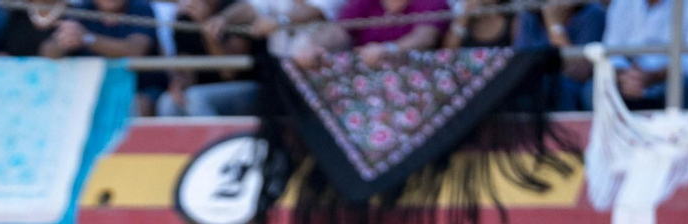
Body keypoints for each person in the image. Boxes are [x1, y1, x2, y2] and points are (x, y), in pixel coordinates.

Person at [160, 0, 345, 116]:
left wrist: (280, 21)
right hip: (280, 84)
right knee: (168, 102)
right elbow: (252, 6)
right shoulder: (186, 18)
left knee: (196, 99)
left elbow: (229, 72)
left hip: (320, 88)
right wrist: (221, 20)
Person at [589, 0, 688, 109]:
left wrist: (650, 78)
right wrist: (626, 76)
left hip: (672, 79)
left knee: (678, 90)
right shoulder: (622, 3)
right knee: (593, 90)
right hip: (628, 77)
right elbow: (612, 53)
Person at [38, 0, 157, 112]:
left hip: (137, 89)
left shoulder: (141, 8)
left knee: (140, 104)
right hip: (89, 91)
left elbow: (136, 50)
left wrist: (87, 38)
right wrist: (62, 41)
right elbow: (48, 52)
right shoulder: (82, 10)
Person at [514, 1, 605, 112]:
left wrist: (554, 25)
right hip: (536, 86)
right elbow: (520, 65)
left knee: (558, 86)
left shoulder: (592, 13)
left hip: (572, 91)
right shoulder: (529, 16)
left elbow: (580, 71)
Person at [336, 0, 448, 63]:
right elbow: (338, 30)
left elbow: (425, 37)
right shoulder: (363, 2)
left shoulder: (431, 2)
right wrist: (318, 46)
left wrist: (388, 49)